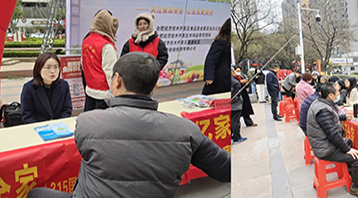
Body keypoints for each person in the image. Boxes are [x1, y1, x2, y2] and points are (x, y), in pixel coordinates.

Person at [28, 53, 231, 198]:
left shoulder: (87, 122)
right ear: (154, 86)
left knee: (36, 194)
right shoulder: (186, 130)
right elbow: (226, 170)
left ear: (116, 81)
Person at [306, 83, 358, 198]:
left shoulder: (321, 103)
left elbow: (329, 121)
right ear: (330, 95)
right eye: (337, 92)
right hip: (325, 149)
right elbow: (332, 134)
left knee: (348, 141)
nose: (339, 93)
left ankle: (351, 171)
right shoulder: (322, 110)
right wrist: (347, 150)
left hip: (324, 144)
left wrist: (342, 117)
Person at [81, 10, 119, 111]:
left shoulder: (86, 41)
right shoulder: (106, 46)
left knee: (89, 118)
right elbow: (111, 72)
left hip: (90, 90)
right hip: (104, 94)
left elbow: (83, 65)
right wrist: (115, 94)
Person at [20, 52, 73, 124]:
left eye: (56, 67)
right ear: (39, 69)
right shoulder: (29, 88)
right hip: (38, 127)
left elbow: (67, 110)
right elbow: (27, 115)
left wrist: (58, 124)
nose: (52, 71)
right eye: (48, 67)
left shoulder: (64, 85)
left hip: (60, 126)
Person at [202, 19, 232, 95]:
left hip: (227, 76)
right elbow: (211, 59)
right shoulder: (220, 42)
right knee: (211, 96)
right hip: (219, 76)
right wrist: (209, 77)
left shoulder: (228, 43)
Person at [231, 70, 246, 143]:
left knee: (231, 121)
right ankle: (236, 137)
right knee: (235, 122)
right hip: (235, 105)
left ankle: (232, 135)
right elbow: (235, 96)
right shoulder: (235, 83)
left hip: (226, 105)